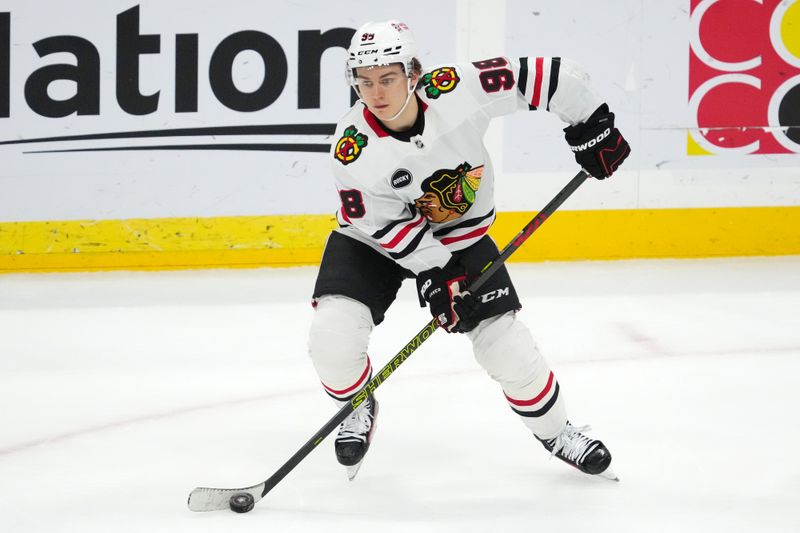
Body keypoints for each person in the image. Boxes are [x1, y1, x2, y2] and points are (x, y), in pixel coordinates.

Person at [308, 20, 630, 481]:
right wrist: (437, 274)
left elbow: (555, 76)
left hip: (460, 234)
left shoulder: (456, 89)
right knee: (332, 338)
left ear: (413, 72)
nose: (375, 92)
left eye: (388, 78)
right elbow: (378, 225)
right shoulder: (351, 148)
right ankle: (356, 405)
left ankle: (558, 433)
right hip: (371, 241)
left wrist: (593, 125)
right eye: (364, 81)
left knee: (507, 347)